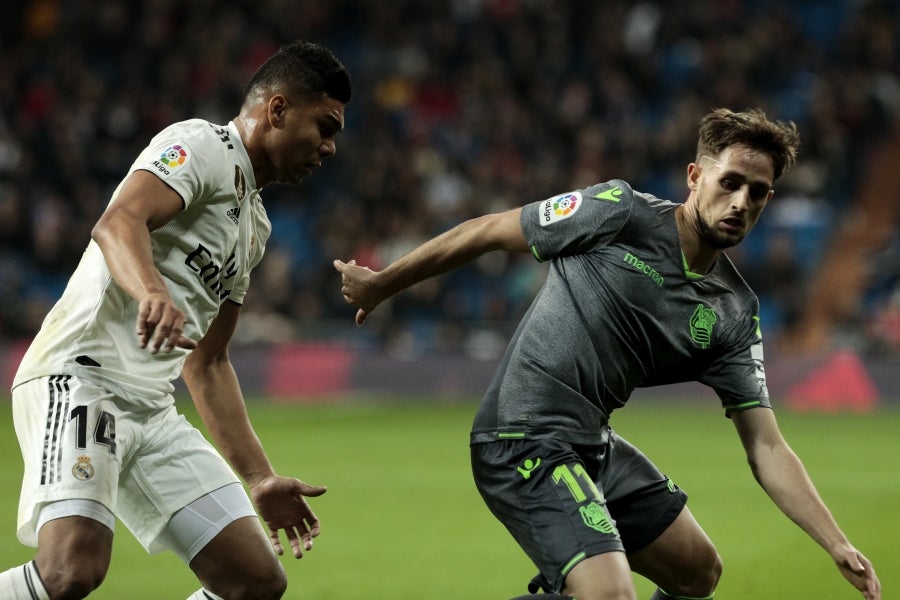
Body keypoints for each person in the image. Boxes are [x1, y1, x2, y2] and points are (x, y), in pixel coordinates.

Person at [334, 108, 881, 600]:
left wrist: (836, 543)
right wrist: (385, 283)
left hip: (591, 444)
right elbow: (490, 231)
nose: (741, 202)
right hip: (522, 437)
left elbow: (766, 445)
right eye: (730, 182)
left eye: (757, 193)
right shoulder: (619, 212)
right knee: (610, 595)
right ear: (696, 178)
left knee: (697, 574)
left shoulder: (735, 311)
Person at [0, 40, 351, 600]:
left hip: (152, 409)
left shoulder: (254, 226)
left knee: (254, 582)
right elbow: (119, 223)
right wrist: (151, 293)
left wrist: (259, 476)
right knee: (70, 572)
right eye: (325, 126)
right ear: (278, 110)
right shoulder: (202, 146)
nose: (330, 148)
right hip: (83, 378)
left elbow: (208, 362)